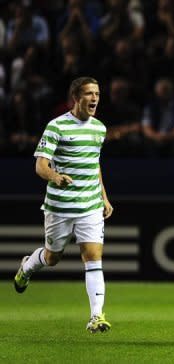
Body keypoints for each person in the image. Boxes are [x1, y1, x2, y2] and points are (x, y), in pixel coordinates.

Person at [13, 77, 114, 334]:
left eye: (97, 94)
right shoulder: (56, 127)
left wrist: (103, 196)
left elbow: (94, 163)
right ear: (76, 98)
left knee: (93, 258)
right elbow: (40, 164)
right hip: (60, 206)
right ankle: (27, 266)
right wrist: (55, 177)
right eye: (89, 94)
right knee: (52, 257)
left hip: (89, 205)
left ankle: (96, 317)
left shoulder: (99, 129)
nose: (94, 99)